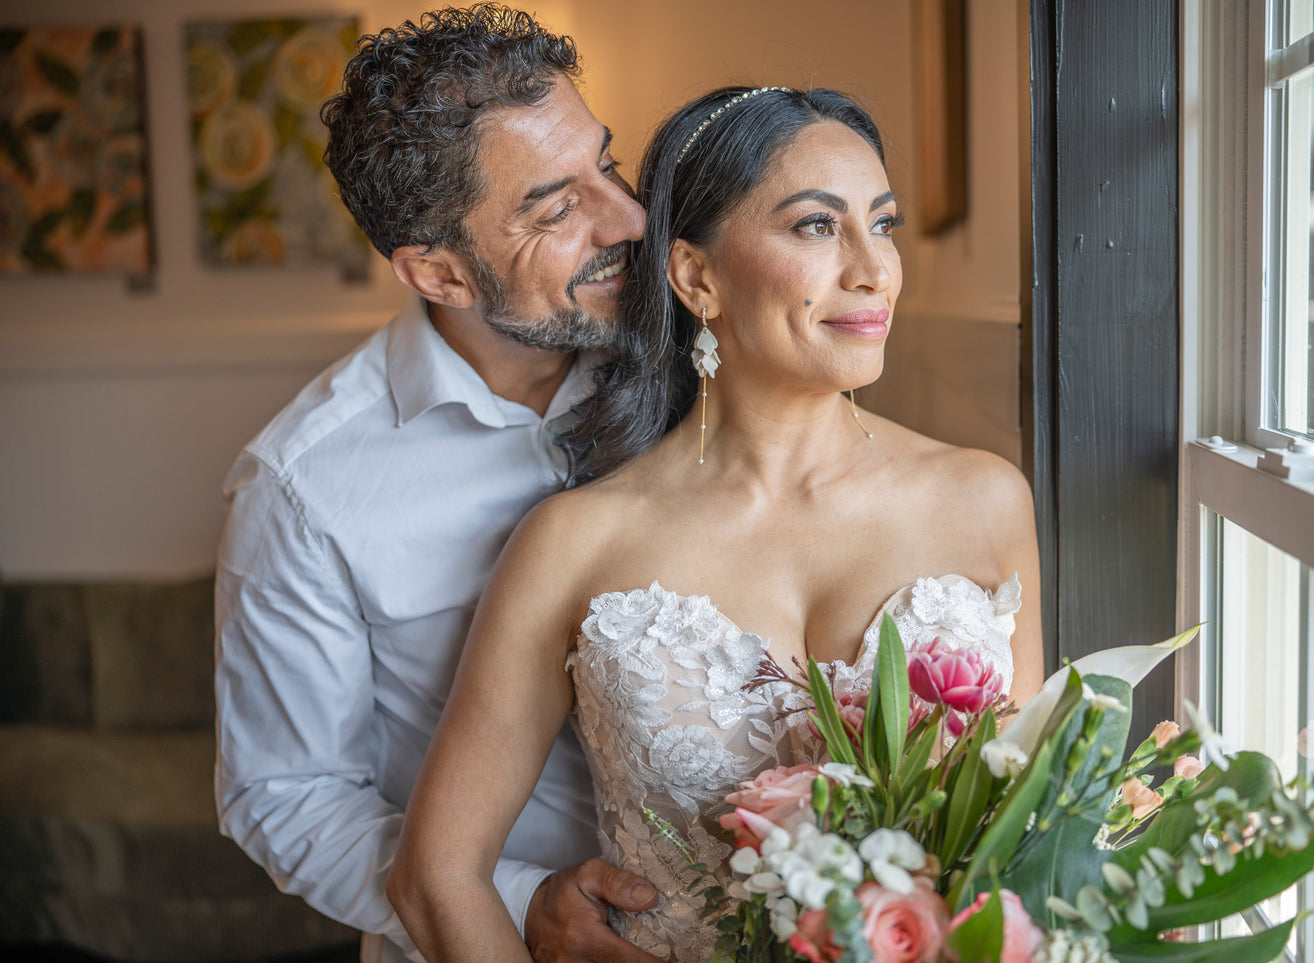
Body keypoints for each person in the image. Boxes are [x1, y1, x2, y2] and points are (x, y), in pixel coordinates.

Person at [387, 86, 1045, 961]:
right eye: (817, 226)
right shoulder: (576, 541)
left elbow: (1028, 835)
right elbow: (436, 875)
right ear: (696, 276)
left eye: (881, 224)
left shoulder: (984, 499)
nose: (873, 268)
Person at [212, 6, 667, 962]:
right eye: (555, 207)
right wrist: (515, 899)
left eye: (607, 163)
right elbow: (283, 796)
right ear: (439, 273)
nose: (628, 218)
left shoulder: (692, 376)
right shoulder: (303, 487)